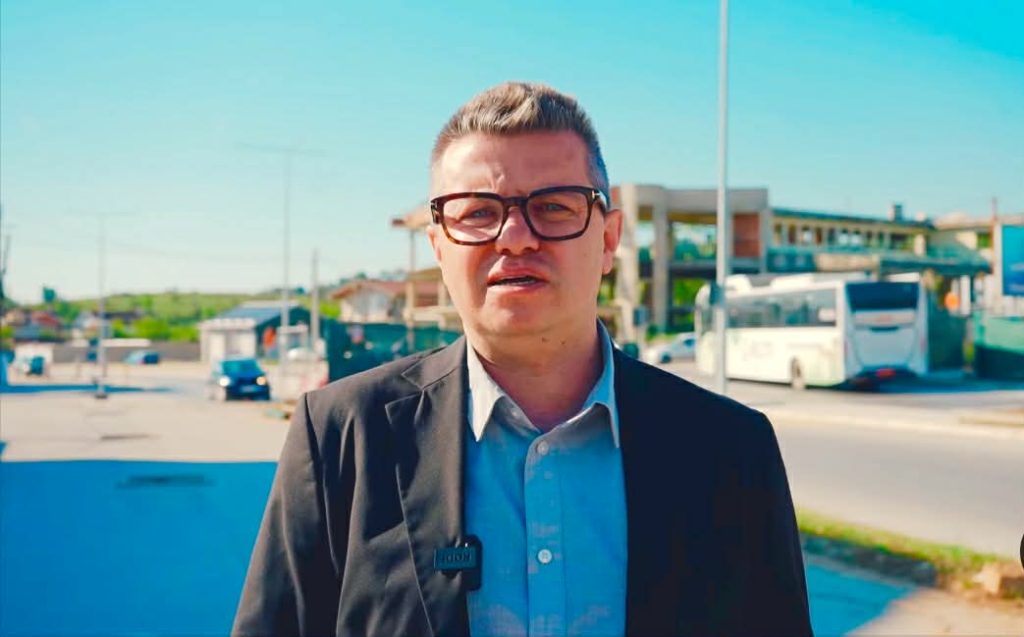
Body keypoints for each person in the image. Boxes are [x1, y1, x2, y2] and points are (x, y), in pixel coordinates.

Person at [232, 82, 812, 637]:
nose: (514, 237)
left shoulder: (731, 449)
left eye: (554, 207)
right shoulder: (342, 436)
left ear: (609, 240)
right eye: (477, 212)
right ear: (438, 247)